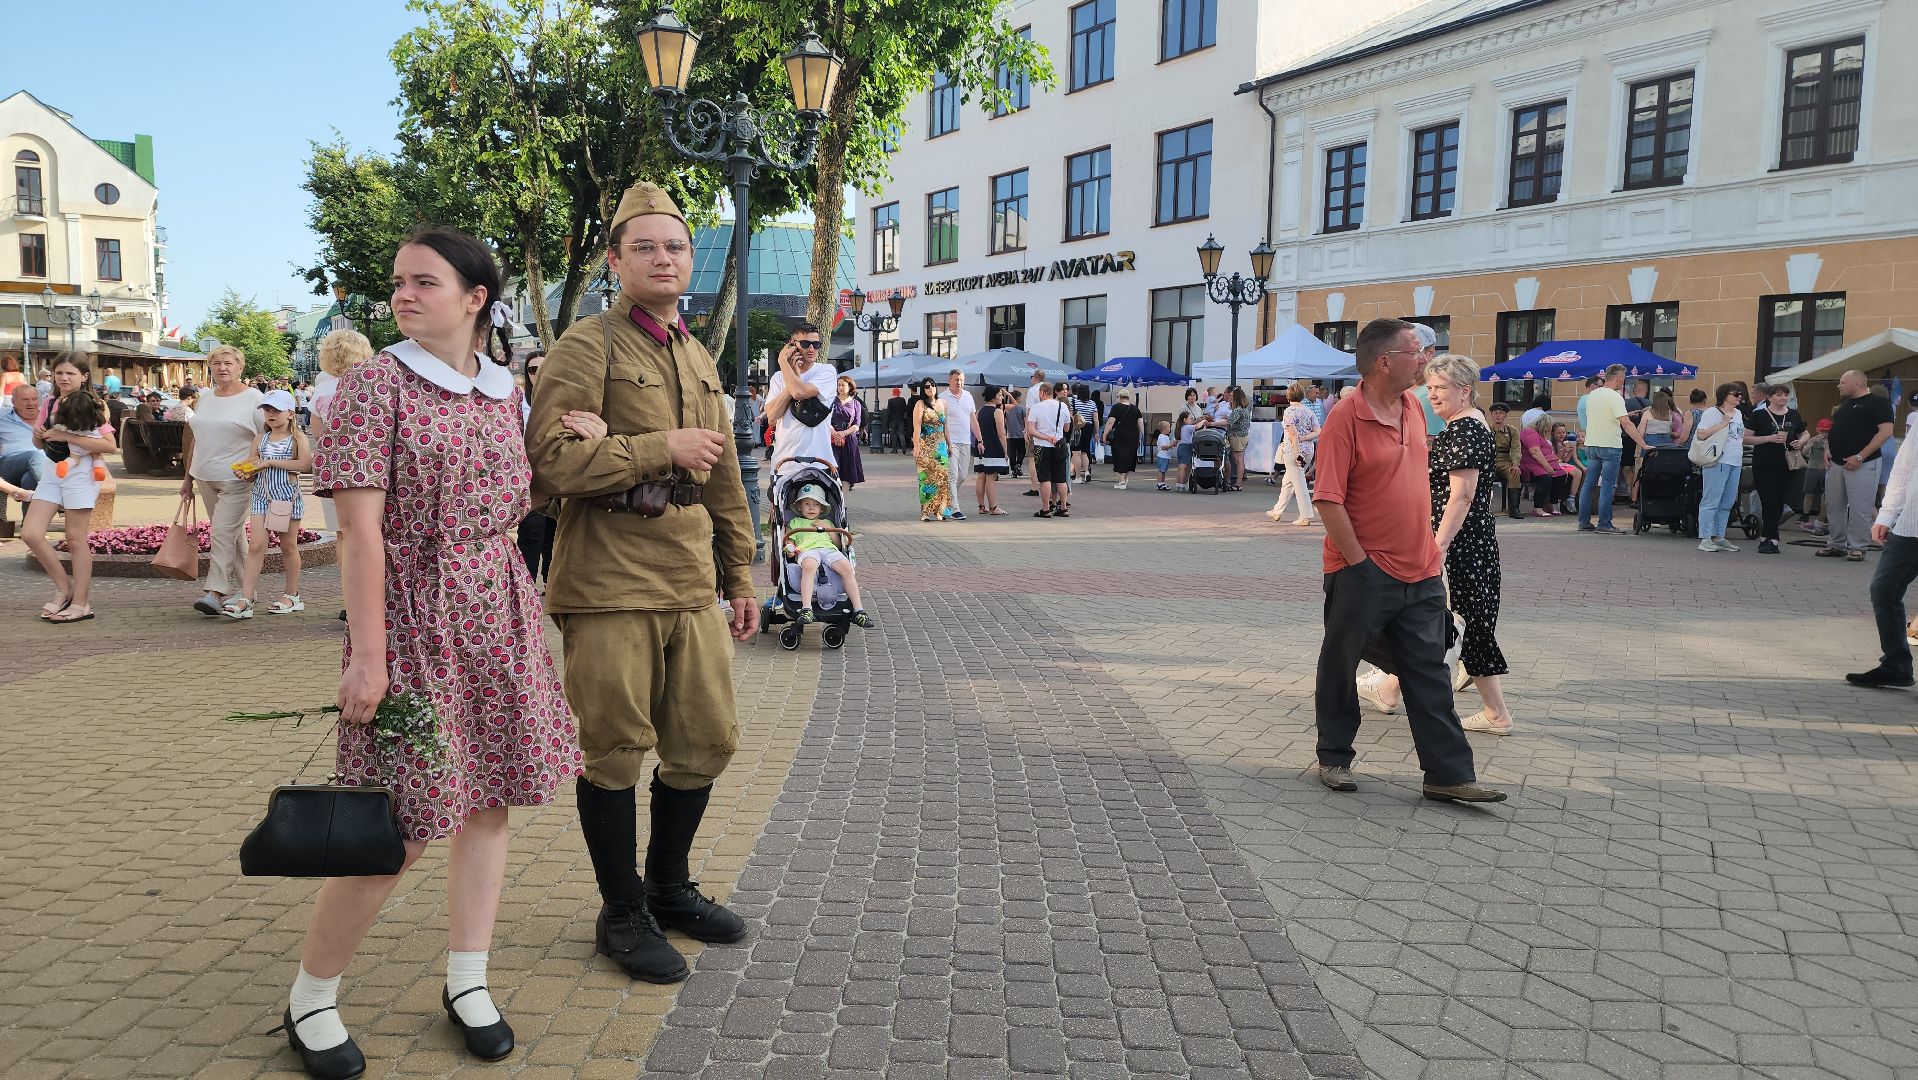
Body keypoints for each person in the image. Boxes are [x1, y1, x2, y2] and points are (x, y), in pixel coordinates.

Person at [282, 226, 579, 1079]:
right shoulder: (375, 384)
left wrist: (575, 428)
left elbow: (518, 491)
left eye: (423, 282)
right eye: (398, 283)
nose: (403, 296)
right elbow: (358, 536)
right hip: (413, 619)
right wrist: (368, 656)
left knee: (490, 801)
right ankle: (310, 996)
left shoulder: (500, 391)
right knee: (405, 821)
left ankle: (467, 980)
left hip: (500, 609)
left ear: (475, 297)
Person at [527, 182, 758, 989]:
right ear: (615, 260)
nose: (664, 258)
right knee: (617, 751)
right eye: (646, 247)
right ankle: (620, 912)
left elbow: (723, 473)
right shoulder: (586, 347)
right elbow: (549, 466)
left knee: (705, 743)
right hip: (610, 582)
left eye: (677, 247)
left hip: (691, 578)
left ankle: (668, 887)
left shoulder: (697, 352)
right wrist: (657, 445)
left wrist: (740, 573)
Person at [1309, 319, 1504, 803]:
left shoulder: (1415, 411)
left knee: (1429, 671)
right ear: (1385, 362)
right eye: (1416, 351)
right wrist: (1358, 563)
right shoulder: (1344, 418)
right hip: (1362, 569)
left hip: (1420, 571)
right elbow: (1327, 498)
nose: (1425, 358)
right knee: (1341, 662)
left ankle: (1447, 774)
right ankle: (1334, 756)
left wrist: (1431, 552)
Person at [1359, 354, 1516, 733]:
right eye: (1429, 388)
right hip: (1467, 542)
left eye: (1440, 388)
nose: (1432, 395)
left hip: (1460, 545)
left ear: (1465, 391)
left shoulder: (1464, 430)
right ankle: (1390, 688)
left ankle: (1495, 713)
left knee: (1456, 622)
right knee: (1446, 621)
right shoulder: (1472, 424)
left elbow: (1461, 496)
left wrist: (1438, 545)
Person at [21, 357, 117, 624]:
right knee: (30, 533)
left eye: (70, 373)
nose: (63, 378)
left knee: (76, 539)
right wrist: (39, 434)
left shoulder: (91, 404)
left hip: (81, 473)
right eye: (59, 373)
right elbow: (40, 445)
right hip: (53, 471)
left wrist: (68, 437)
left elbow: (110, 445)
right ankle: (65, 589)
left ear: (84, 376)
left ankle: (82, 603)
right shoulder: (50, 403)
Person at [180, 345, 264, 617]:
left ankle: (215, 591)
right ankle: (247, 592)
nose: (222, 368)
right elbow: (197, 438)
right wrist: (187, 478)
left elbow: (266, 436)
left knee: (221, 533)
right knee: (231, 534)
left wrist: (253, 467)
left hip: (236, 478)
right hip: (205, 475)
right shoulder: (205, 397)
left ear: (240, 366)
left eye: (228, 363)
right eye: (216, 363)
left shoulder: (254, 398)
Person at [228, 389, 312, 617]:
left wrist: (270, 462)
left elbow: (305, 465)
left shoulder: (298, 438)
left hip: (285, 498)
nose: (271, 414)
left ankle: (292, 595)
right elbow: (254, 466)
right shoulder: (260, 438)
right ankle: (246, 598)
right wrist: (246, 472)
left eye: (277, 410)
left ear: (291, 414)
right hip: (261, 497)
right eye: (267, 409)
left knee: (288, 546)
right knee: (256, 546)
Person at [1847, 417, 1917, 687]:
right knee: (1884, 590)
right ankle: (1897, 664)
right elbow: (1904, 469)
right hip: (1912, 522)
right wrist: (1886, 515)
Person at [1817, 370, 1895, 563]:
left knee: (1860, 507)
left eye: (1843, 382)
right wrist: (1828, 449)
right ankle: (1836, 544)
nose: (1839, 385)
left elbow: (1885, 432)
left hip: (1863, 463)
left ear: (1857, 383)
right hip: (1836, 463)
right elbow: (1837, 431)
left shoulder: (1878, 403)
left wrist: (1861, 456)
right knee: (1834, 505)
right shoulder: (1845, 405)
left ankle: (1858, 547)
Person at [786, 483, 873, 627]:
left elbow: (838, 544)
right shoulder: (795, 522)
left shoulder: (827, 522)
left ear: (821, 508)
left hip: (829, 549)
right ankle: (806, 608)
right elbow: (789, 541)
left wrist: (829, 529)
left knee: (847, 568)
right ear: (800, 507)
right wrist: (790, 549)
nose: (811, 508)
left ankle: (859, 610)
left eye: (815, 504)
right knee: (809, 566)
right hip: (808, 550)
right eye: (807, 504)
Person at [1576, 364, 1642, 534]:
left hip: (1592, 443)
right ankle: (1604, 523)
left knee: (1589, 484)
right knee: (1607, 485)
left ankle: (1583, 521)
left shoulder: (1592, 395)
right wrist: (1643, 444)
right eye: (1623, 378)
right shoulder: (1615, 397)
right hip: (1610, 445)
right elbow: (1626, 423)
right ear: (1619, 377)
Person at [764, 323, 837, 472]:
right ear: (792, 345)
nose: (811, 349)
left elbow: (799, 392)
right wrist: (788, 369)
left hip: (819, 463)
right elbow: (771, 417)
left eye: (816, 344)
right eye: (805, 344)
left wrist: (782, 362)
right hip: (783, 463)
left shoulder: (826, 371)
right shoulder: (778, 377)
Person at [514, 347, 557, 585]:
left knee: (554, 537)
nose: (537, 374)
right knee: (531, 535)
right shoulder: (519, 403)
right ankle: (526, 586)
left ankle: (551, 584)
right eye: (532, 369)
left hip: (558, 479)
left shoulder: (562, 398)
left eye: (542, 368)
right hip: (530, 481)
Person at [1747, 384, 1806, 555]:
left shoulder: (1793, 415)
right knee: (1768, 499)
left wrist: (1800, 442)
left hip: (1787, 463)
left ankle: (1768, 536)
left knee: (1780, 500)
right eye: (1779, 395)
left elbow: (1805, 433)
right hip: (1764, 463)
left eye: (1786, 395)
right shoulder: (1759, 415)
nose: (1783, 398)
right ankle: (1771, 538)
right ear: (1769, 397)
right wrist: (1769, 438)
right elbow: (1746, 437)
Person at [1693, 383, 1752, 553]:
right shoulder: (1713, 412)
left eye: (1741, 394)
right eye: (1736, 394)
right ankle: (1705, 537)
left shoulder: (1739, 413)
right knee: (1711, 499)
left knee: (1727, 501)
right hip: (1718, 459)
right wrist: (1723, 423)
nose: (1739, 397)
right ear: (1725, 395)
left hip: (1735, 460)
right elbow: (1701, 433)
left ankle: (1719, 535)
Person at [1268, 378, 1319, 525]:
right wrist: (1305, 438)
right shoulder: (1308, 411)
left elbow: (1292, 433)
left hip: (1293, 451)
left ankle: (1305, 515)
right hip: (1309, 450)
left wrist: (1297, 451)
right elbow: (1318, 431)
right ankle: (1277, 510)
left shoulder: (1289, 411)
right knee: (1289, 481)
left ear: (1288, 396)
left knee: (1299, 483)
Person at [1, 382, 47, 535]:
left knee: (30, 479)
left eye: (34, 399)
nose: (31, 403)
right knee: (35, 455)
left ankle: (30, 530)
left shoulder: (47, 418)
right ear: (14, 402)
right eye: (25, 400)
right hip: (8, 466)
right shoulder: (2, 417)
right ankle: (57, 497)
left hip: (38, 469)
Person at [910, 376, 957, 522]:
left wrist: (949, 444)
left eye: (932, 385)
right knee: (926, 480)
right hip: (925, 446)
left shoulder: (943, 403)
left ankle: (940, 511)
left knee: (942, 479)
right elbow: (916, 428)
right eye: (926, 386)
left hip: (941, 446)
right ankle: (925, 512)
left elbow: (945, 427)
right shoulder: (920, 404)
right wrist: (916, 448)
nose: (930, 388)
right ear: (923, 390)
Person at [1027, 378, 1072, 517]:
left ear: (1042, 392)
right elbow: (1066, 427)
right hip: (1059, 444)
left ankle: (1046, 509)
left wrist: (1045, 436)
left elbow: (1031, 430)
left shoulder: (1036, 408)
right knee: (1061, 478)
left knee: (1044, 478)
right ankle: (1063, 507)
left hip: (1042, 446)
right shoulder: (1062, 406)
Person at [939, 369, 979, 506]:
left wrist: (979, 440)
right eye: (956, 380)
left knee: (962, 476)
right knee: (953, 475)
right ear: (949, 380)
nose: (959, 382)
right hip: (950, 442)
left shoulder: (968, 396)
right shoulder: (942, 397)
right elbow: (941, 422)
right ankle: (955, 508)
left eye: (962, 380)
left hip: (965, 441)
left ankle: (945, 498)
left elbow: (973, 420)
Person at [973, 385, 1009, 514]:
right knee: (991, 477)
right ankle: (993, 507)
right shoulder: (997, 412)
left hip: (981, 446)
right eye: (999, 395)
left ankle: (981, 506)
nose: (1001, 397)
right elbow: (1001, 434)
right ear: (994, 397)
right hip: (993, 447)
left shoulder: (980, 411)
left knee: (981, 477)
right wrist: (1005, 450)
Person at [1520, 414, 1566, 517]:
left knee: (1561, 474)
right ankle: (1538, 508)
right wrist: (1549, 468)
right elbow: (1535, 452)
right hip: (1530, 467)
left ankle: (1552, 503)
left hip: (1539, 465)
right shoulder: (1529, 433)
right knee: (1545, 478)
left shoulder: (1538, 434)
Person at [1487, 402, 1523, 519]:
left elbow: (1516, 448)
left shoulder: (1512, 430)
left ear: (1505, 415)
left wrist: (1515, 464)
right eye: (1495, 413)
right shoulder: (1486, 429)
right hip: (1488, 460)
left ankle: (1514, 508)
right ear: (1491, 415)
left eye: (1501, 413)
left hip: (1504, 460)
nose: (1498, 416)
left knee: (1514, 473)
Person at [829, 374, 865, 490]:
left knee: (848, 473)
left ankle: (842, 501)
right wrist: (834, 433)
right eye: (838, 385)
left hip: (849, 439)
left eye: (843, 385)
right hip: (831, 437)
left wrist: (843, 433)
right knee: (833, 468)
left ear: (850, 386)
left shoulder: (856, 404)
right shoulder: (831, 401)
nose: (840, 387)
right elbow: (824, 420)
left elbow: (857, 424)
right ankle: (833, 495)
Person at [1102, 390, 1142, 489]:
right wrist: (1140, 437)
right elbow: (1141, 424)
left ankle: (1121, 480)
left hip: (1119, 436)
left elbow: (1110, 422)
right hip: (1133, 436)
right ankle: (1125, 478)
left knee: (1118, 456)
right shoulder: (1135, 409)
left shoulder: (1116, 408)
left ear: (1119, 397)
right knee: (1130, 456)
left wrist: (1105, 435)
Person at [1621, 377, 1651, 496]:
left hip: (1627, 437)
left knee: (1626, 465)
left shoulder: (1625, 403)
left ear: (1633, 391)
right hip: (1643, 439)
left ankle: (1630, 488)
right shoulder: (1651, 405)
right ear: (1646, 391)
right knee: (1638, 466)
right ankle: (1637, 492)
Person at [1067, 383, 1097, 484]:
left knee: (1076, 452)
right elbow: (1095, 419)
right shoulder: (1092, 403)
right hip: (1089, 427)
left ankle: (1078, 476)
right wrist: (1096, 432)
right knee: (1085, 451)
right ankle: (1087, 471)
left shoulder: (1074, 402)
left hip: (1077, 428)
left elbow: (1071, 417)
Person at [1224, 387, 1252, 490]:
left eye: (1232, 396)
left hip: (1237, 437)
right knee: (1240, 460)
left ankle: (1238, 484)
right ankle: (1238, 483)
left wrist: (1213, 423)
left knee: (1238, 460)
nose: (1230, 398)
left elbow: (1229, 422)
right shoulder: (1243, 408)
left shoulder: (1237, 410)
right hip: (1243, 436)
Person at [1004, 388, 1028, 478]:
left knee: (1012, 454)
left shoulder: (1006, 408)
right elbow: (1026, 421)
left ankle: (1014, 470)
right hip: (1020, 434)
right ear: (1017, 398)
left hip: (1010, 434)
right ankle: (1018, 465)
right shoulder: (1022, 408)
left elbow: (1004, 421)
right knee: (1022, 451)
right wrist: (1026, 431)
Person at [1153, 421, 1175, 491]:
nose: (1170, 429)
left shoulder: (1165, 437)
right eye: (1169, 427)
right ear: (1164, 429)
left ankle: (1162, 482)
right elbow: (1163, 447)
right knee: (1161, 470)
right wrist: (1171, 445)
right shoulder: (1162, 437)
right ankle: (1159, 483)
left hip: (1166, 456)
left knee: (1163, 470)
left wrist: (1172, 445)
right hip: (1163, 456)